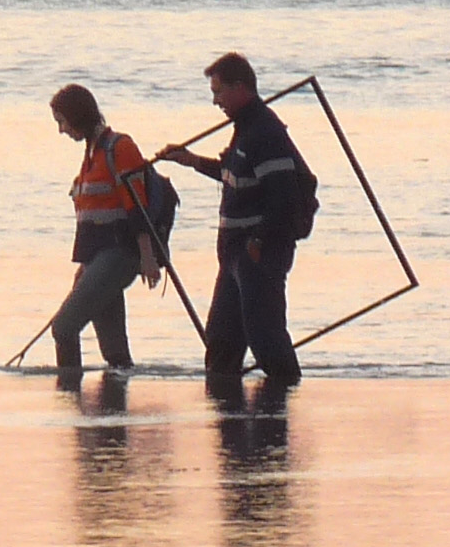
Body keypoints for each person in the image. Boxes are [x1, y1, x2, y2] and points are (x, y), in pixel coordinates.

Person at [159, 52, 307, 391]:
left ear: (241, 88)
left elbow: (282, 199)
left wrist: (257, 243)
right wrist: (191, 160)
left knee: (265, 335)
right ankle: (228, 419)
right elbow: (232, 175)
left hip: (257, 251)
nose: (215, 102)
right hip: (233, 254)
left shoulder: (266, 133)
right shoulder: (244, 131)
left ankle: (282, 404)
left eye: (219, 92)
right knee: (222, 342)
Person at [44, 84, 161, 378]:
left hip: (121, 254)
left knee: (64, 328)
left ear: (77, 116)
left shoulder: (119, 148)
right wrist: (86, 266)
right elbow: (91, 220)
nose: (61, 130)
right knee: (114, 352)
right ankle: (114, 418)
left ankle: (69, 395)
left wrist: (147, 257)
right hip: (99, 259)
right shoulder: (91, 156)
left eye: (62, 121)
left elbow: (137, 209)